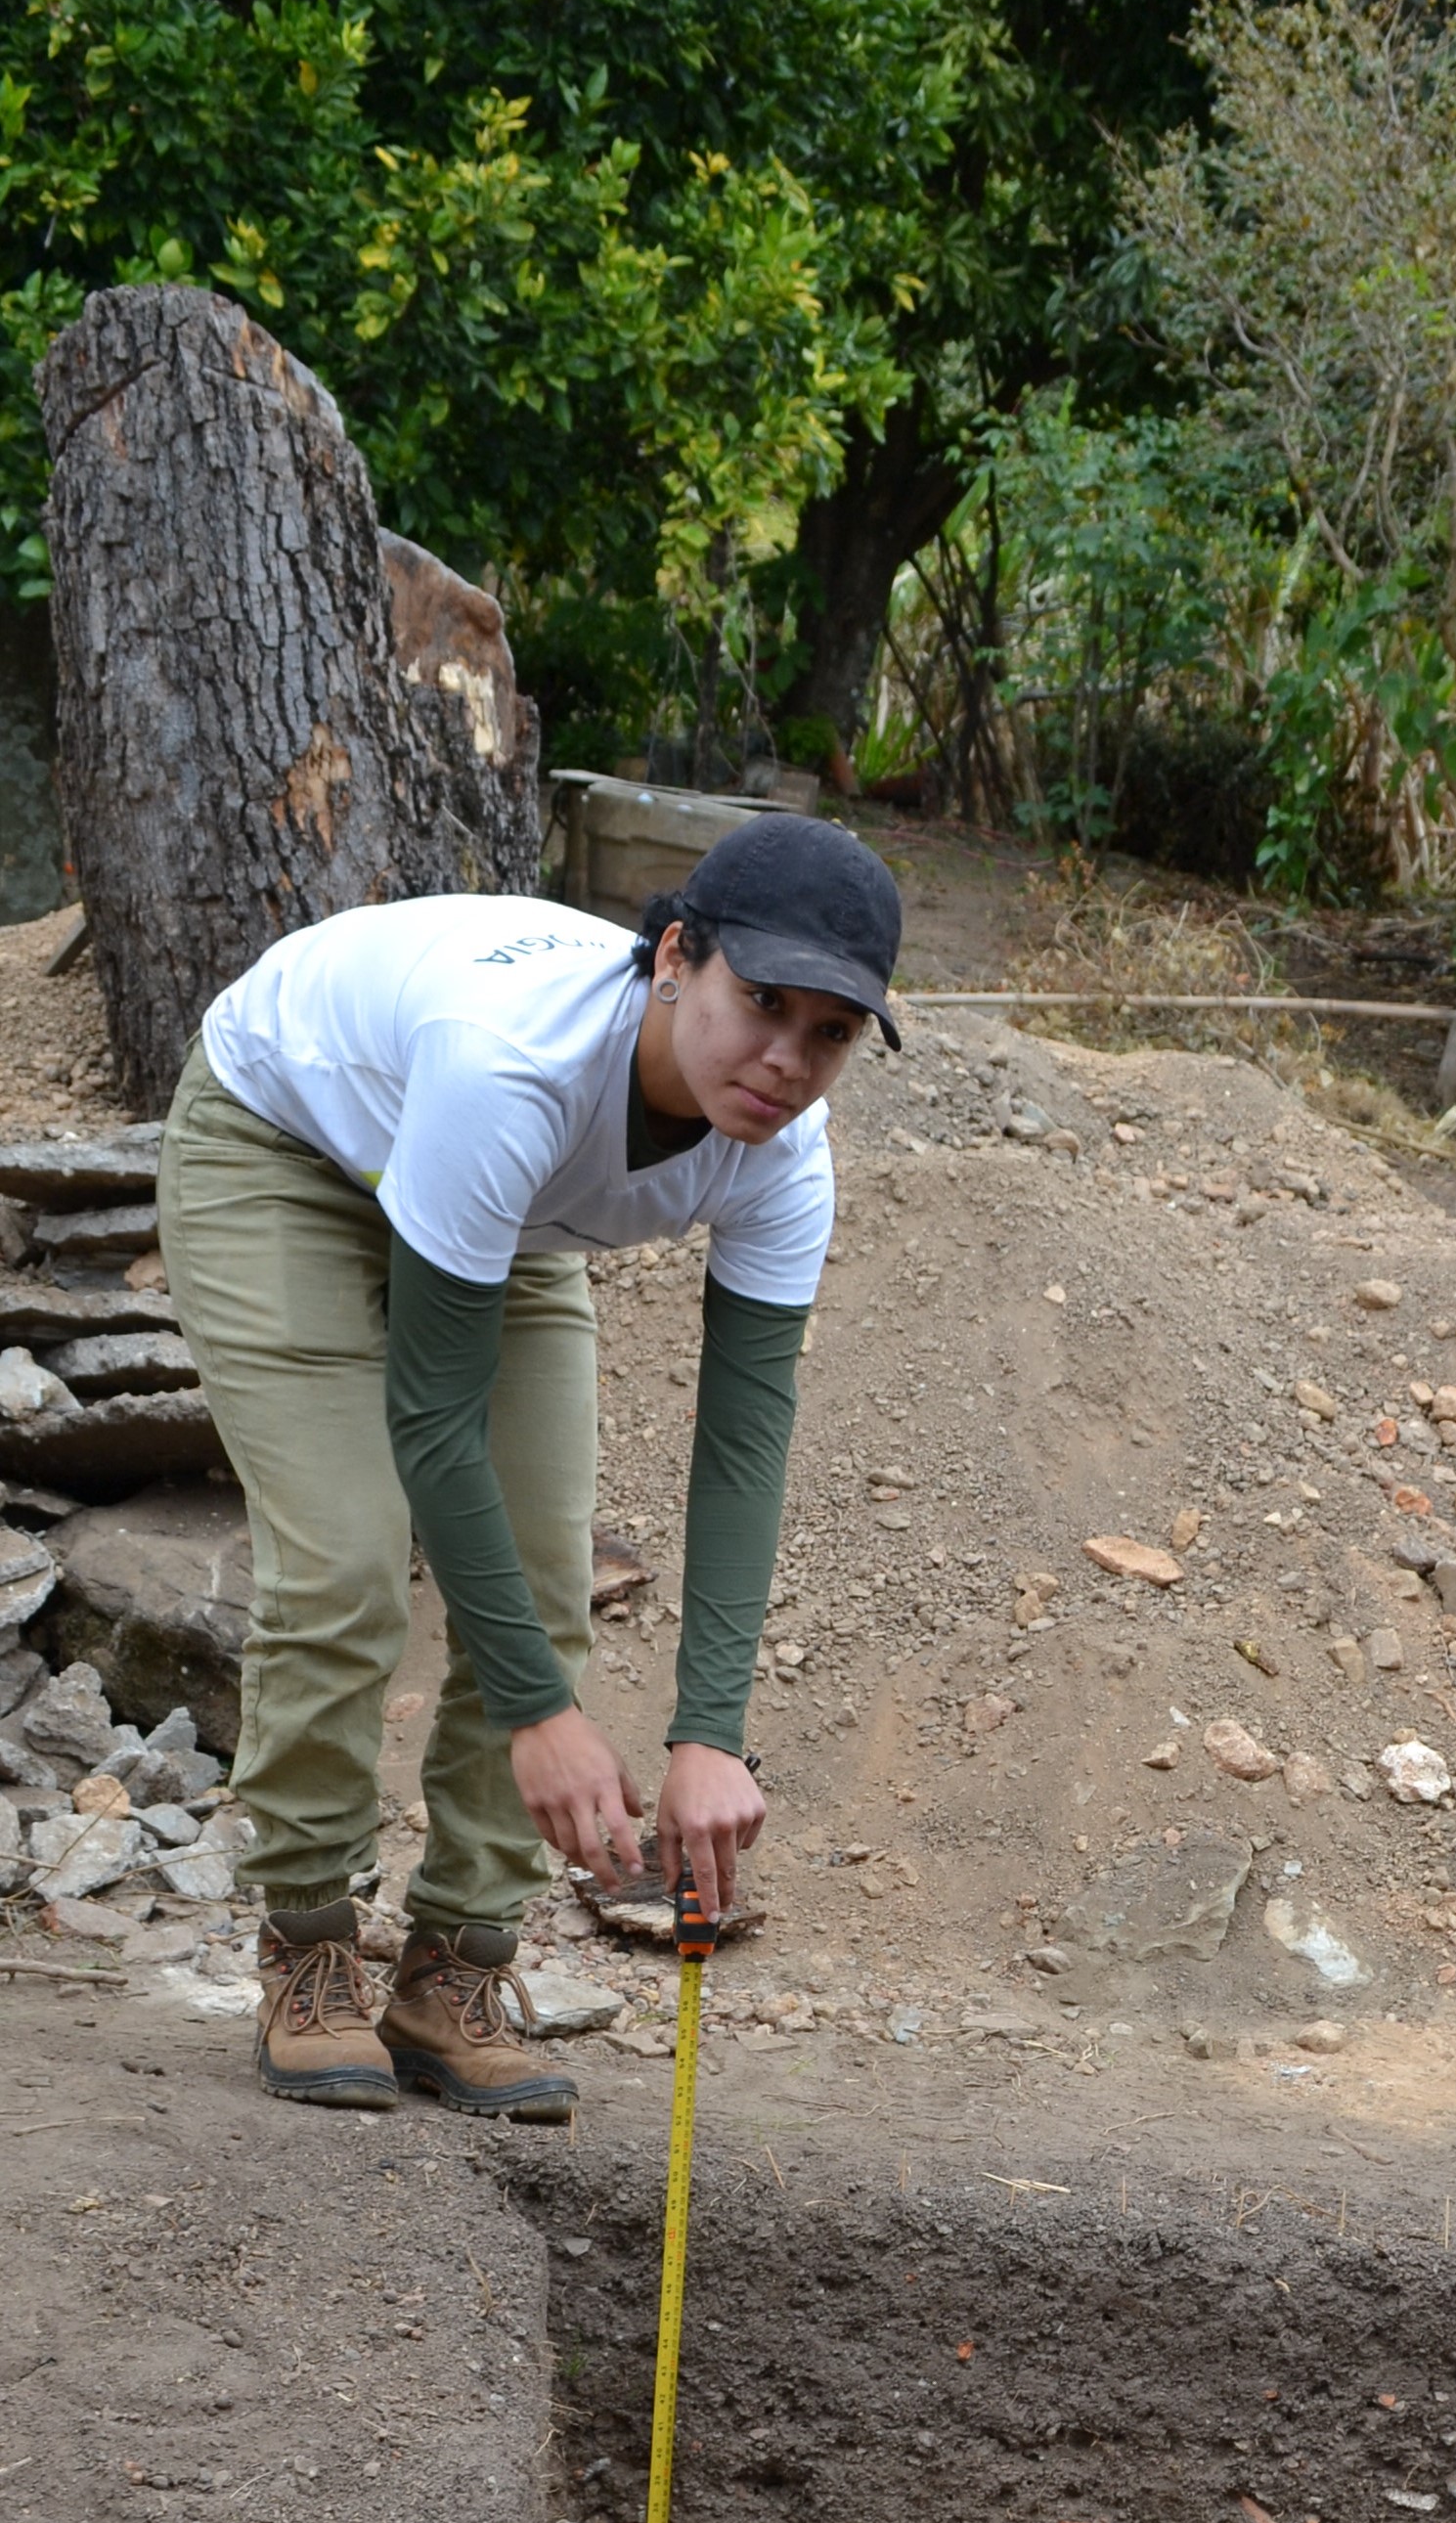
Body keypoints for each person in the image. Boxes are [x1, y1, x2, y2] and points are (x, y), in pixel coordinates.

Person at [154, 811, 900, 2119]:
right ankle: (312, 1946)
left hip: (505, 1216)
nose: (785, 1059)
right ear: (676, 958)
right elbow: (433, 1423)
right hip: (287, 1146)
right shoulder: (516, 1062)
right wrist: (545, 1721)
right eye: (760, 1003)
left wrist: (708, 1735)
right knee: (346, 1558)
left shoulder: (784, 1159)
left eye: (829, 1032)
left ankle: (455, 1971)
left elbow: (743, 1443)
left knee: (549, 1586)